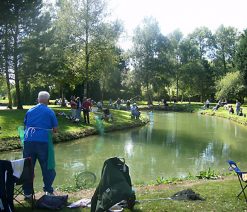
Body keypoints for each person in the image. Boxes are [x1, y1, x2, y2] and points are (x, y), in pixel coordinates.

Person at [23, 91, 58, 197]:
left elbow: (26, 125)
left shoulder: (30, 110)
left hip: (28, 141)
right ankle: (48, 190)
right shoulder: (49, 112)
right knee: (47, 166)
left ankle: (27, 192)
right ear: (48, 100)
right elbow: (55, 129)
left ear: (38, 99)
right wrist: (50, 131)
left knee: (28, 166)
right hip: (43, 141)